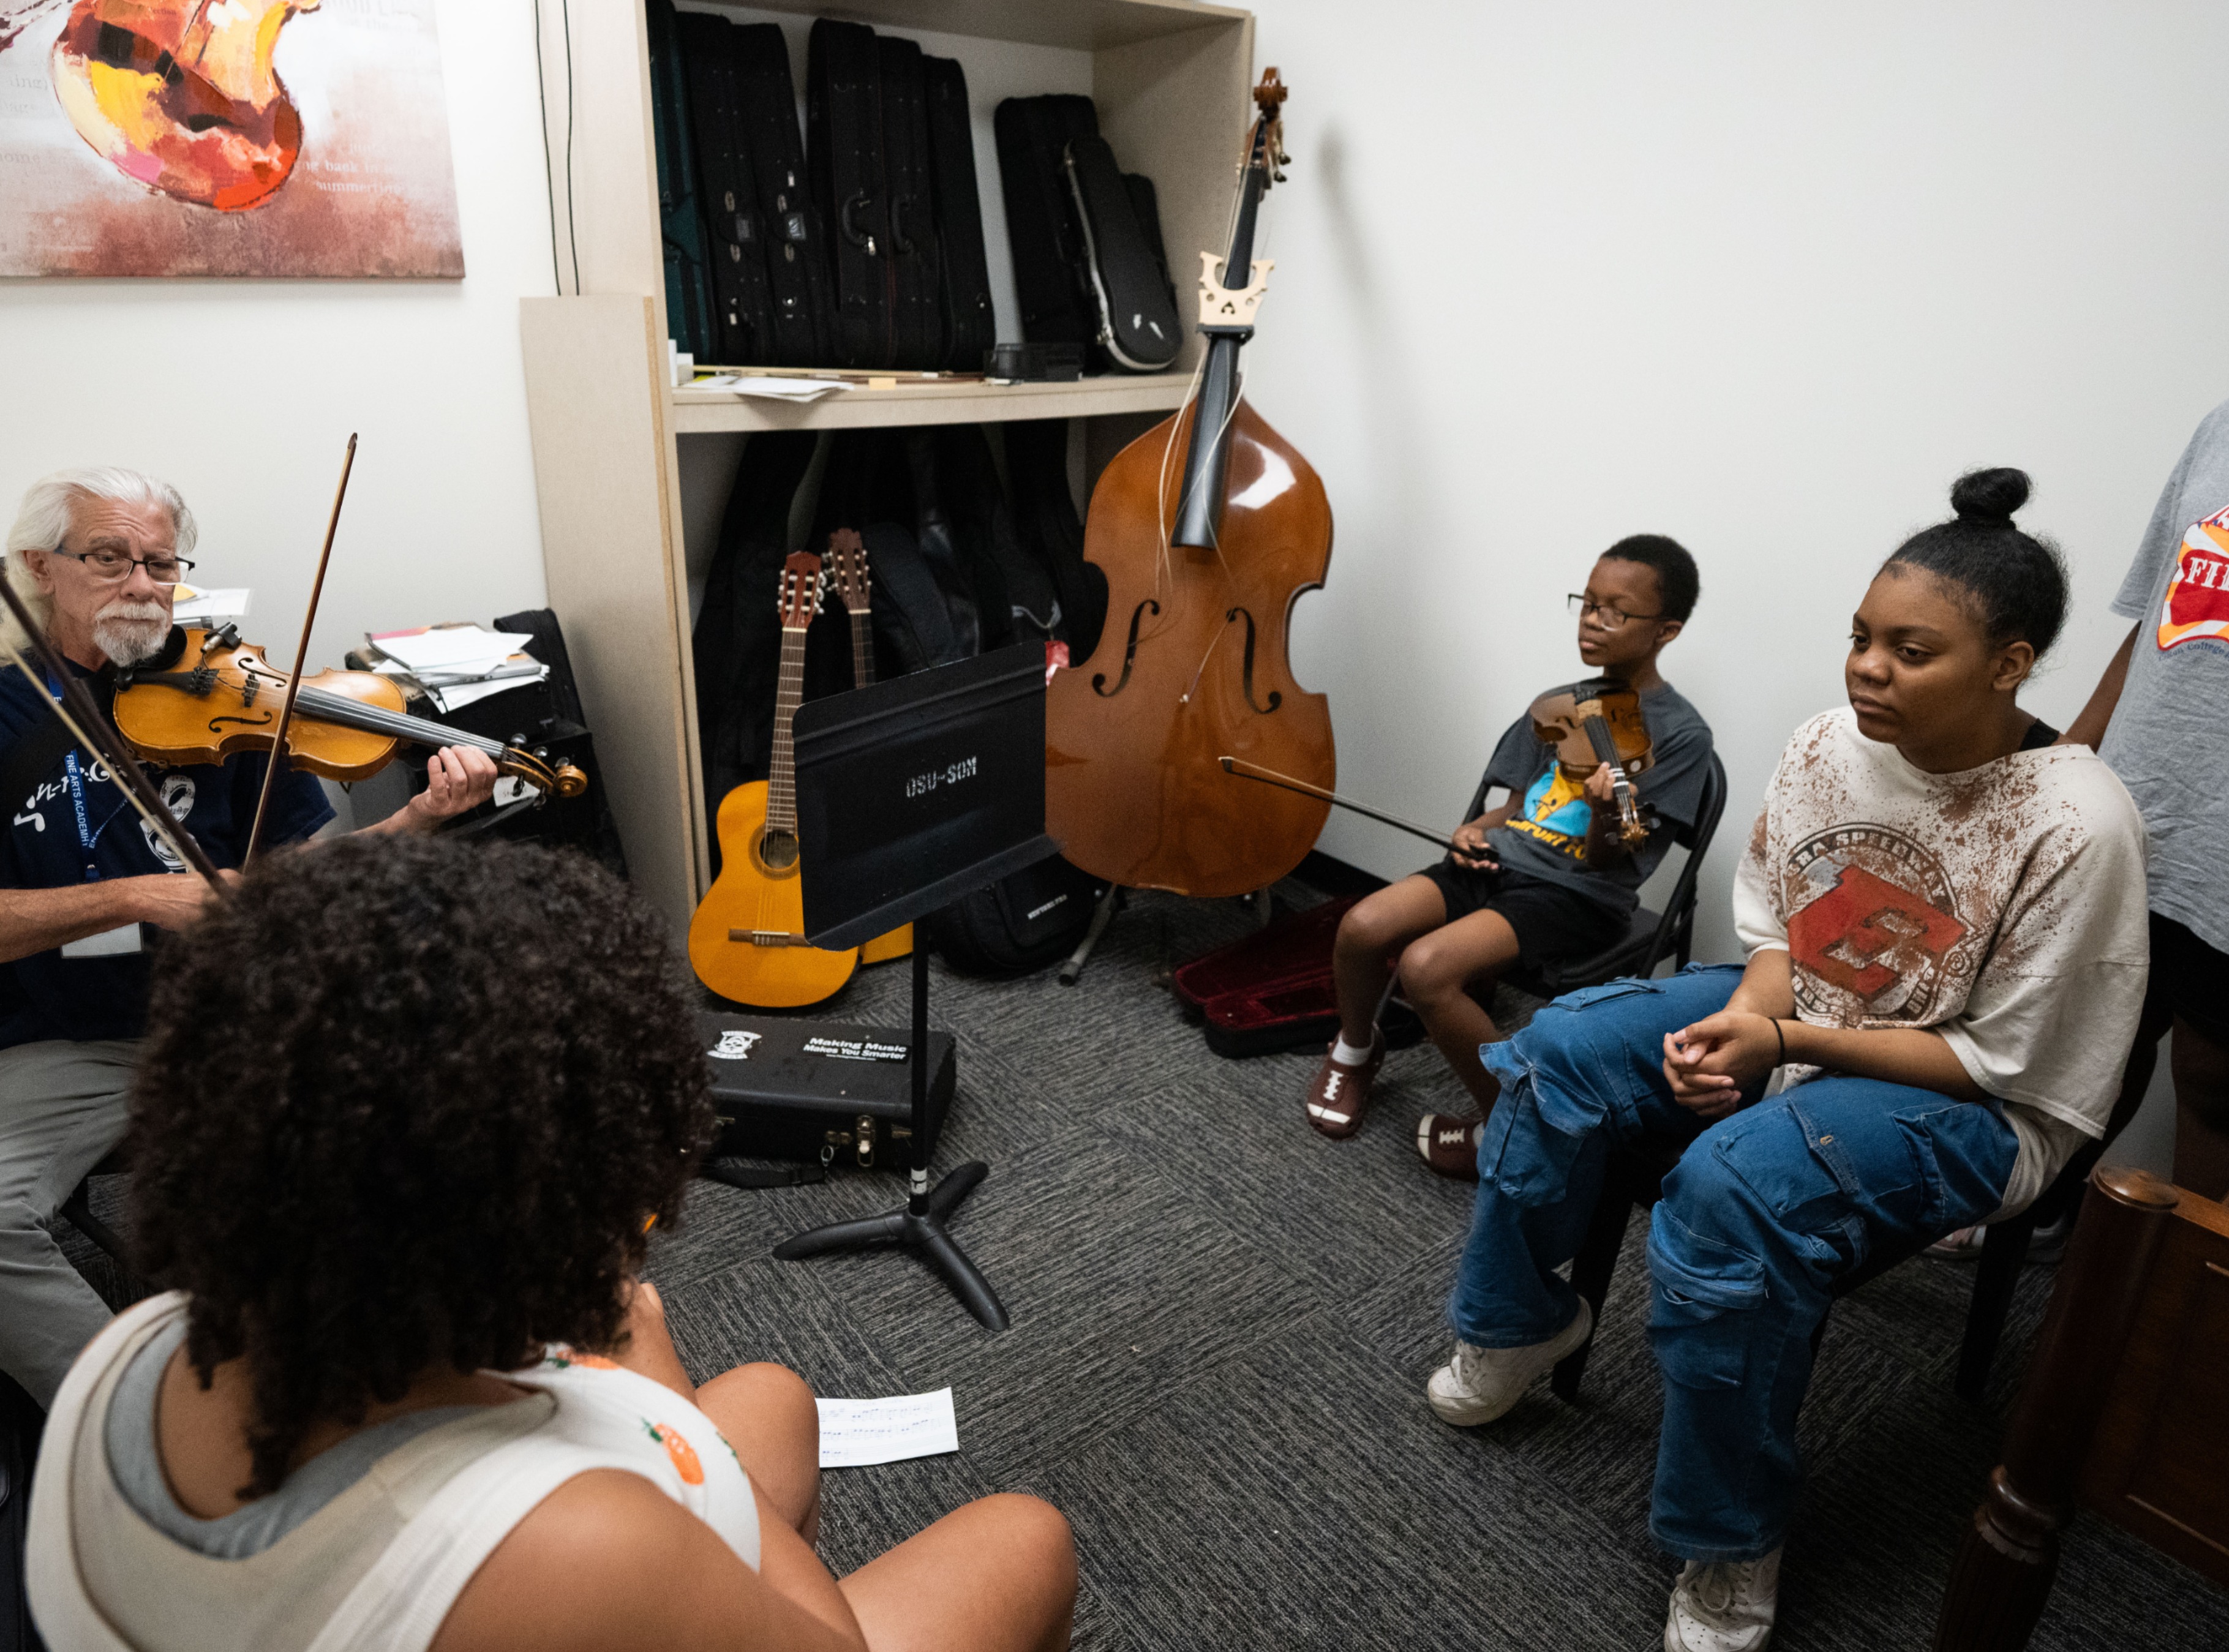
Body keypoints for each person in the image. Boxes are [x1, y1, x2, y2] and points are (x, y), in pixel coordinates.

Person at [27, 835, 1077, 1652]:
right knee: (1026, 1539)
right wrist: (663, 1394)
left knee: (775, 1398)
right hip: (539, 1573)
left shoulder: (127, 1350)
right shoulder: (586, 1549)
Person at [1424, 470, 2148, 1652]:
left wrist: (1782, 1044)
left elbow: (2002, 1060)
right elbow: (1778, 940)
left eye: (1911, 652)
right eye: (1862, 639)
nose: (1869, 670)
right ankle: (1521, 1319)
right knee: (1561, 1049)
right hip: (1810, 1014)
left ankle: (1728, 1537)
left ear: (2009, 665)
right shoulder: (1827, 744)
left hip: (1985, 1099)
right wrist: (1754, 1024)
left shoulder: (2076, 819)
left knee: (1733, 1186)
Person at [0, 467, 499, 1410]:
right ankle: (130, 1420)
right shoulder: (6, 712)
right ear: (40, 568)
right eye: (108, 558)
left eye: (160, 563)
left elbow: (305, 881)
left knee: (443, 1097)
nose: (142, 585)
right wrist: (139, 895)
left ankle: (426, 1368)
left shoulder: (224, 691)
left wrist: (419, 819)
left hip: (239, 1013)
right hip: (72, 1039)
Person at [1300, 535, 1714, 1174]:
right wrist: (1474, 830)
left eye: (1616, 612)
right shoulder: (1557, 703)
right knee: (1361, 926)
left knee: (1426, 968)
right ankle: (1356, 1049)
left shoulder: (1681, 734)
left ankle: (1514, 1124)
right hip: (1499, 862)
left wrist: (1607, 812)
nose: (1592, 621)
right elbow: (1519, 809)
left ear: (1666, 631)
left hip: (1574, 895)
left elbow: (1613, 862)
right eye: (1587, 603)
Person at [2056, 400, 2229, 1200]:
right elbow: (2159, 608)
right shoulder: (2221, 427)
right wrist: (2068, 757)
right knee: (2096, 1034)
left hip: (2220, 846)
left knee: (2211, 1073)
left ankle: (2186, 1270)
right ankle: (2044, 1222)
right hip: (2140, 797)